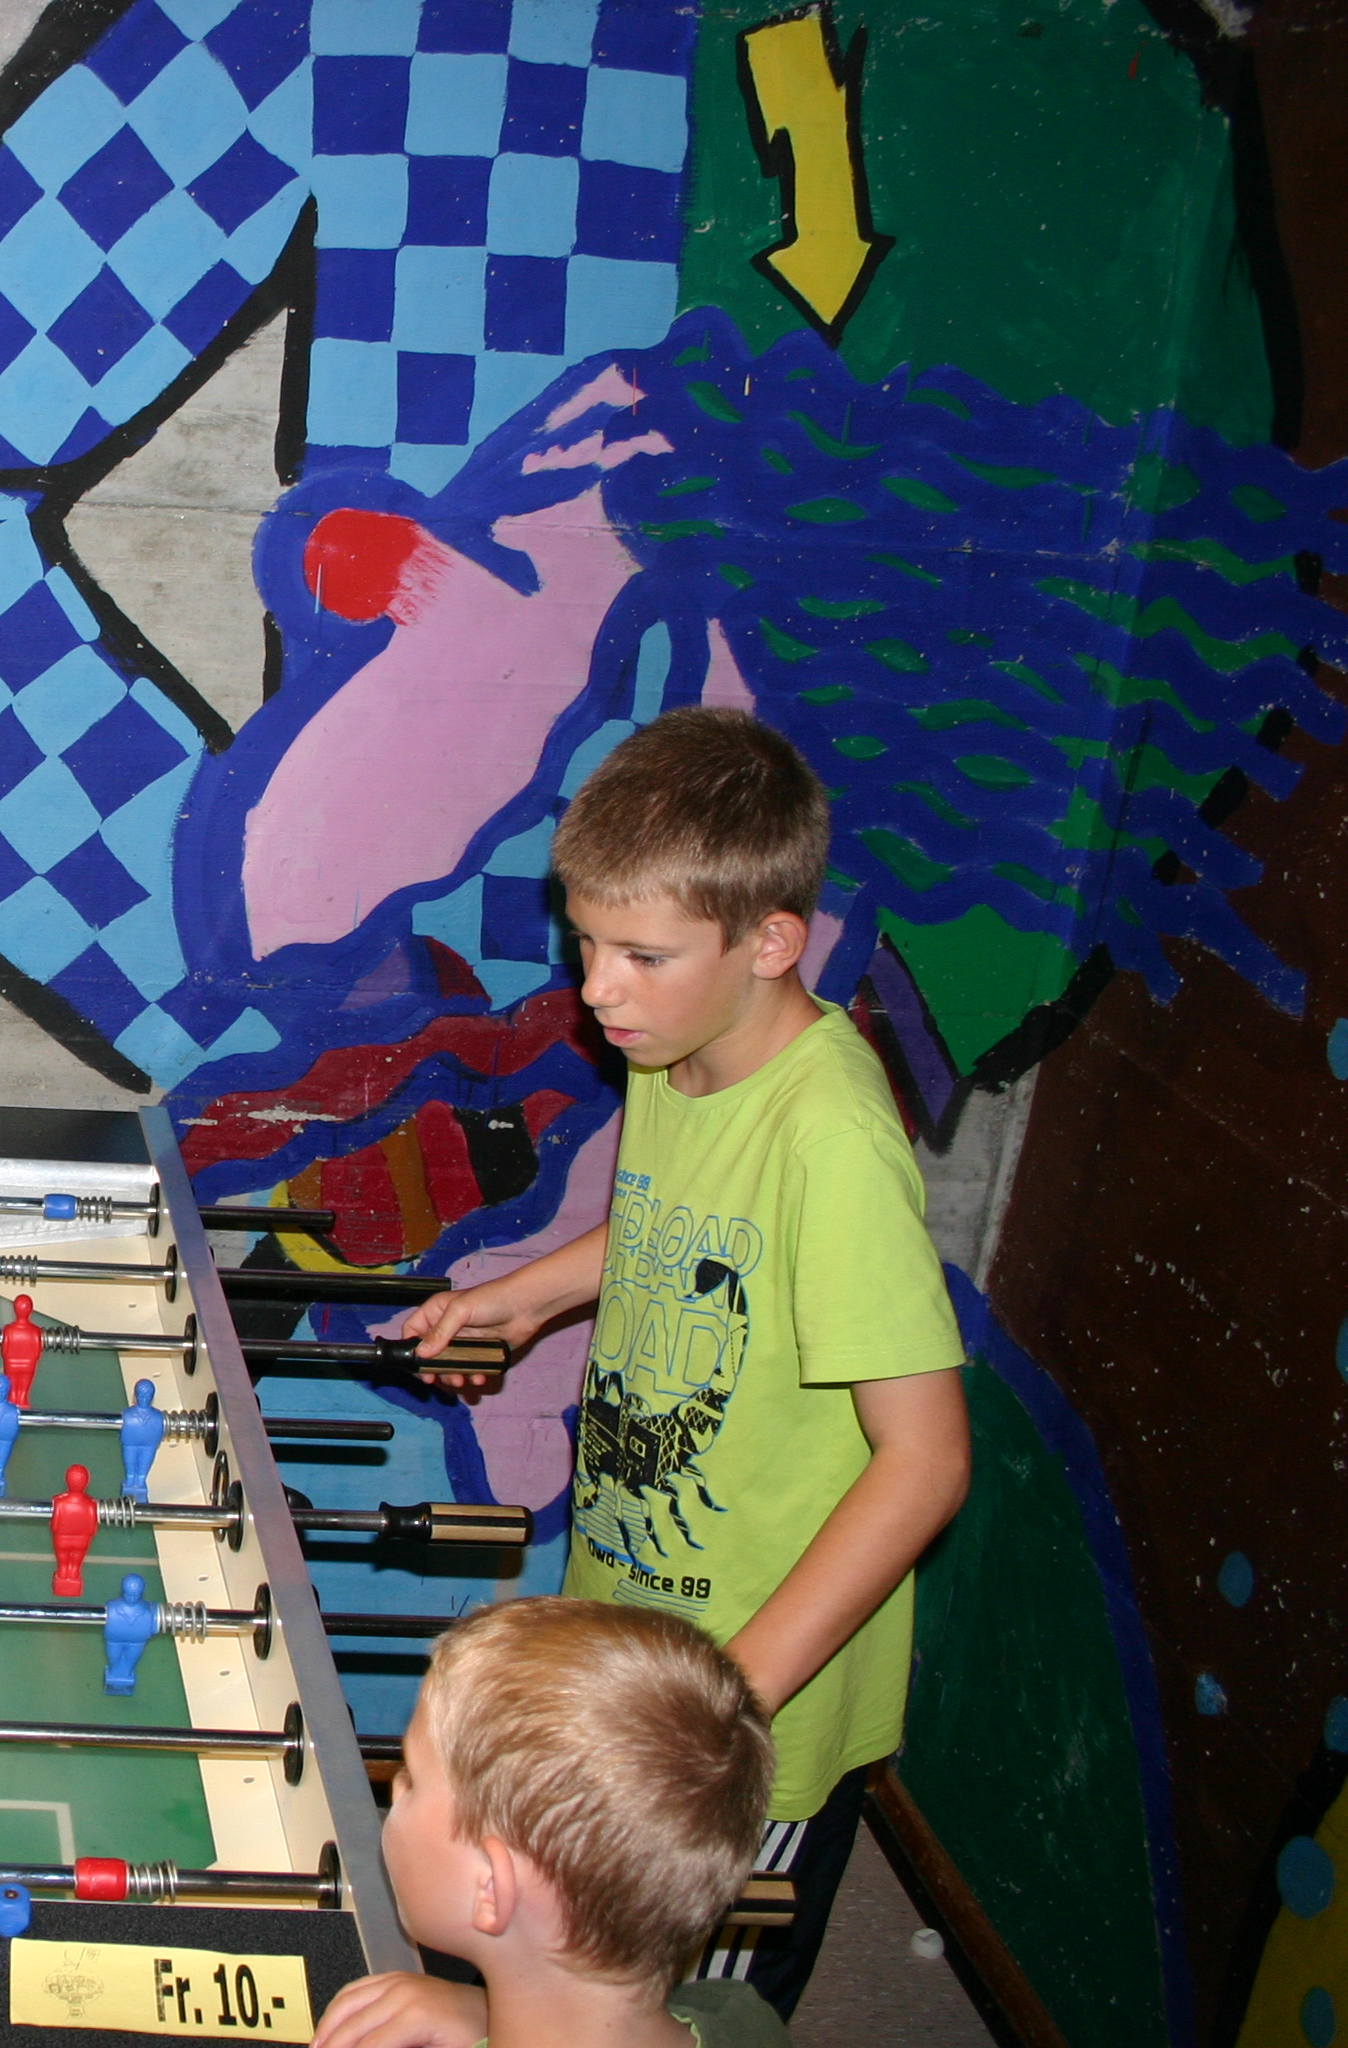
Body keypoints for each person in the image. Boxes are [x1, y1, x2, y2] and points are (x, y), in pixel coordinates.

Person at [401, 707, 971, 2015]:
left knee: (672, 2005)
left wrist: (723, 1710)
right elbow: (677, 1227)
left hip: (748, 1695)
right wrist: (525, 1296)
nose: (598, 989)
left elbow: (929, 1460)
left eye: (641, 955)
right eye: (588, 945)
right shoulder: (682, 1042)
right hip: (632, 1616)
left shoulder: (833, 1139)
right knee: (561, 1954)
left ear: (770, 941)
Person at [314, 1598, 785, 2048]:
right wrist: (485, 2013)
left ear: (490, 1887)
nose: (395, 1788)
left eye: (413, 1780)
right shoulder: (739, 2014)